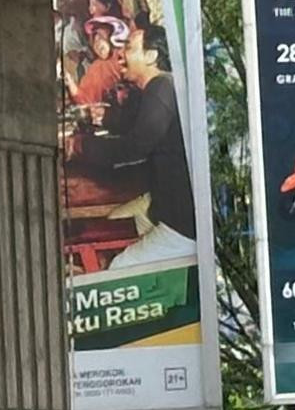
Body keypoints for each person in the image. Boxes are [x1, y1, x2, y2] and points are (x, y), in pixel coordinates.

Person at [61, 22, 195, 246]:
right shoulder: (159, 88)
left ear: (151, 56)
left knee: (118, 265)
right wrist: (108, 117)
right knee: (114, 220)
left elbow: (133, 149)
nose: (120, 54)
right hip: (159, 203)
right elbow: (141, 124)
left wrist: (81, 146)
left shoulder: (162, 87)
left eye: (130, 48)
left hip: (179, 222)